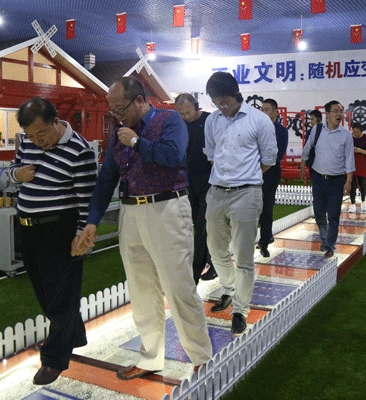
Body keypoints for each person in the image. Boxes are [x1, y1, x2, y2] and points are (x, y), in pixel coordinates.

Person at [75, 77, 212, 380]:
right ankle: (150, 358)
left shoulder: (169, 120)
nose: (116, 116)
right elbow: (107, 177)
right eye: (112, 110)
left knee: (178, 288)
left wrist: (136, 142)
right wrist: (92, 220)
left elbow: (173, 156)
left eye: (120, 109)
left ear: (140, 100)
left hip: (167, 208)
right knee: (140, 290)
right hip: (131, 212)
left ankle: (202, 359)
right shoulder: (120, 133)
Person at [8, 97, 97, 385]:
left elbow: (87, 199)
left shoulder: (80, 150)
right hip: (27, 228)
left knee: (60, 294)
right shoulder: (27, 143)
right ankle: (75, 334)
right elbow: (10, 171)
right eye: (31, 135)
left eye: (41, 133)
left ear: (56, 122)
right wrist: (15, 175)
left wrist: (81, 234)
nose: (37, 141)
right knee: (46, 292)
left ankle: (54, 359)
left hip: (59, 229)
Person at [203, 72, 277, 336]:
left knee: (243, 256)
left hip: (247, 193)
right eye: (216, 103)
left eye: (224, 102)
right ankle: (228, 288)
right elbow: (212, 155)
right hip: (216, 191)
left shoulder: (259, 120)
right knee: (215, 248)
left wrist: (245, 177)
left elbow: (268, 159)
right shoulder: (212, 120)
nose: (221, 107)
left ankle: (240, 310)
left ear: (236, 94)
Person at [300, 101, 355, 259]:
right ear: (327, 114)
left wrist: (349, 181)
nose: (339, 114)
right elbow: (307, 149)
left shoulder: (346, 135)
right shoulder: (317, 130)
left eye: (341, 111)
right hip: (318, 178)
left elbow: (350, 160)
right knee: (319, 212)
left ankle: (330, 245)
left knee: (333, 214)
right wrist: (302, 167)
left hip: (336, 181)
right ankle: (324, 238)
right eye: (335, 111)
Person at [175, 93, 217, 283]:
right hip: (188, 180)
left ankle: (196, 271)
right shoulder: (179, 125)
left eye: (188, 112)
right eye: (181, 113)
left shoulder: (210, 120)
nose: (186, 116)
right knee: (194, 224)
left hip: (210, 179)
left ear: (197, 106)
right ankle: (212, 262)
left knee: (203, 225)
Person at [257, 98, 289, 257]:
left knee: (266, 207)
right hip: (253, 171)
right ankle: (266, 235)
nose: (263, 112)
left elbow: (278, 155)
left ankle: (264, 241)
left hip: (270, 172)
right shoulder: (256, 128)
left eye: (267, 109)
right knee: (252, 207)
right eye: (262, 109)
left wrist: (262, 167)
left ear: (276, 112)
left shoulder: (281, 131)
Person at [348, 123, 366, 213]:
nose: (355, 134)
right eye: (354, 132)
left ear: (361, 131)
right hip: (351, 164)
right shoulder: (349, 137)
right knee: (352, 184)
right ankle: (352, 204)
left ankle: (363, 202)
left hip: (362, 164)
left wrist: (361, 151)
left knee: (362, 184)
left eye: (357, 132)